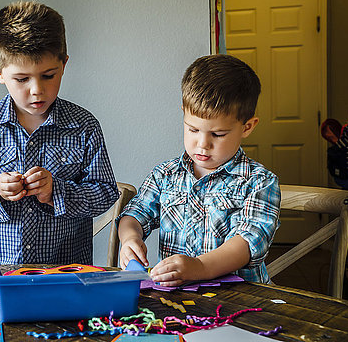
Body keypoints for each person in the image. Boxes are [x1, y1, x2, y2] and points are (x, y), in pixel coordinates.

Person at [0, 1, 118, 265]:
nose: (37, 90)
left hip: (67, 273)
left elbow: (105, 192)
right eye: (22, 79)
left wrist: (56, 192)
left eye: (49, 75)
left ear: (64, 64)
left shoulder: (84, 126)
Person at [117, 54, 280, 285]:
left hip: (241, 300)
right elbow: (134, 214)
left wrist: (200, 267)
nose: (203, 144)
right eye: (193, 130)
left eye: (218, 134)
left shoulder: (259, 181)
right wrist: (130, 238)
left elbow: (248, 242)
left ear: (247, 126)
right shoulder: (165, 175)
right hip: (179, 300)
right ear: (183, 112)